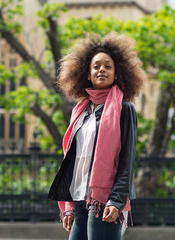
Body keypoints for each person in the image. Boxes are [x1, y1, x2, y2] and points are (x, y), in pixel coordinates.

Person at [48, 32, 146, 240]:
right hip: (79, 197)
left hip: (105, 200)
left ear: (117, 74)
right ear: (88, 74)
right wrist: (68, 207)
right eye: (96, 66)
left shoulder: (124, 109)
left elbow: (127, 160)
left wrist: (117, 200)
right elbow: (71, 160)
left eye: (108, 66)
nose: (102, 69)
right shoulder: (80, 111)